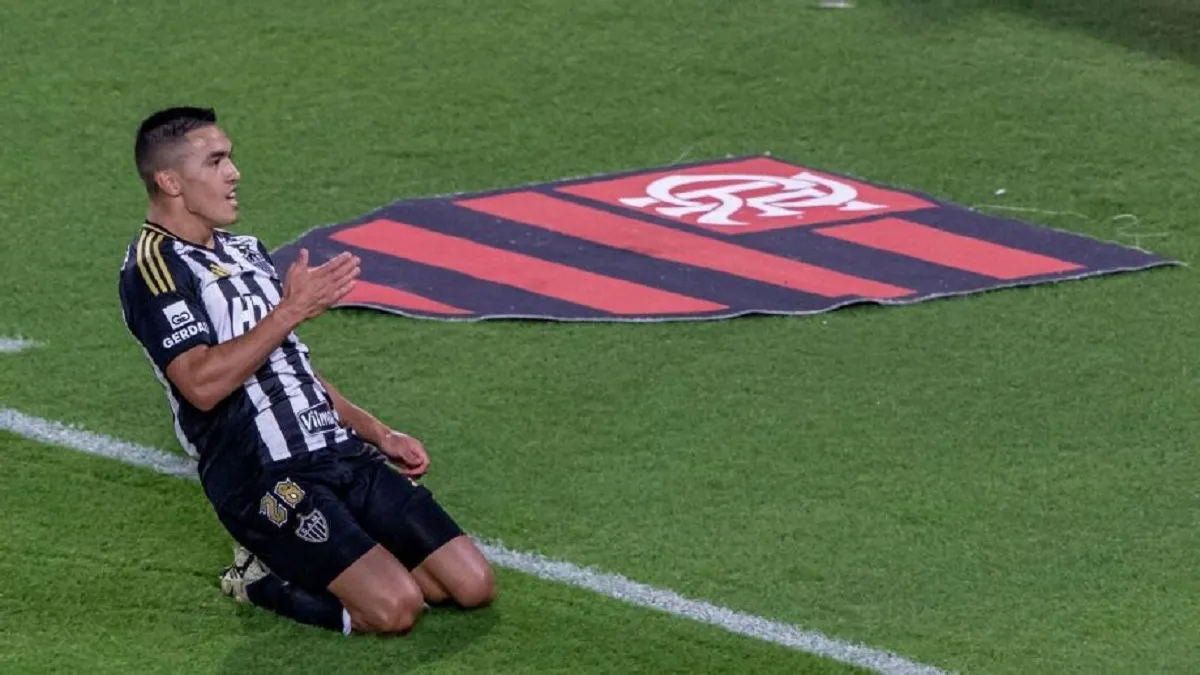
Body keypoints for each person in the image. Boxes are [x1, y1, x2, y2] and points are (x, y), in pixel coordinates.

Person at [117, 106, 495, 635]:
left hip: (335, 450)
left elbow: (290, 367)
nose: (234, 173)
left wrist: (378, 433)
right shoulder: (153, 270)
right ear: (170, 181)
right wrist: (291, 310)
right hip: (264, 473)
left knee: (470, 586)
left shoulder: (246, 252)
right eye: (217, 160)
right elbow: (201, 384)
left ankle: (348, 551)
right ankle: (259, 579)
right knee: (394, 611)